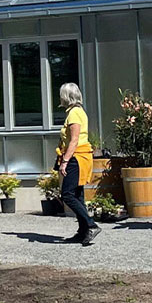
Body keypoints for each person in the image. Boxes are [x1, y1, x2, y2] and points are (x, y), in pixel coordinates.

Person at [55, 83, 100, 245]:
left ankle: (91, 225)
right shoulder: (78, 112)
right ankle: (83, 231)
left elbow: (74, 140)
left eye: (62, 94)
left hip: (77, 158)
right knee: (77, 195)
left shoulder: (74, 113)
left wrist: (65, 161)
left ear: (66, 97)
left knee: (67, 194)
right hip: (81, 156)